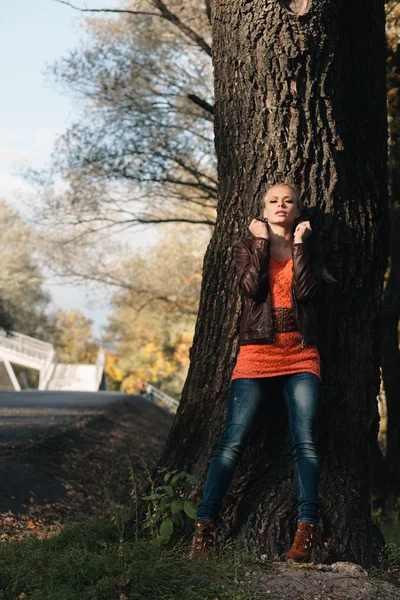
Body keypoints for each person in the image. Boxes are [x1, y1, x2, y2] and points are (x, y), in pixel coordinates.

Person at [191, 182, 327, 564]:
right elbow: (251, 289)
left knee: (305, 443)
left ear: (297, 210)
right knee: (232, 443)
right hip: (256, 354)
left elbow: (306, 292)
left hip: (301, 355)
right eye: (273, 201)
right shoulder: (245, 248)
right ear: (263, 211)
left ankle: (307, 531)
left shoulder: (310, 249)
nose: (281, 205)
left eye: (288, 201)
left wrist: (298, 246)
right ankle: (204, 528)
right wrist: (263, 244)